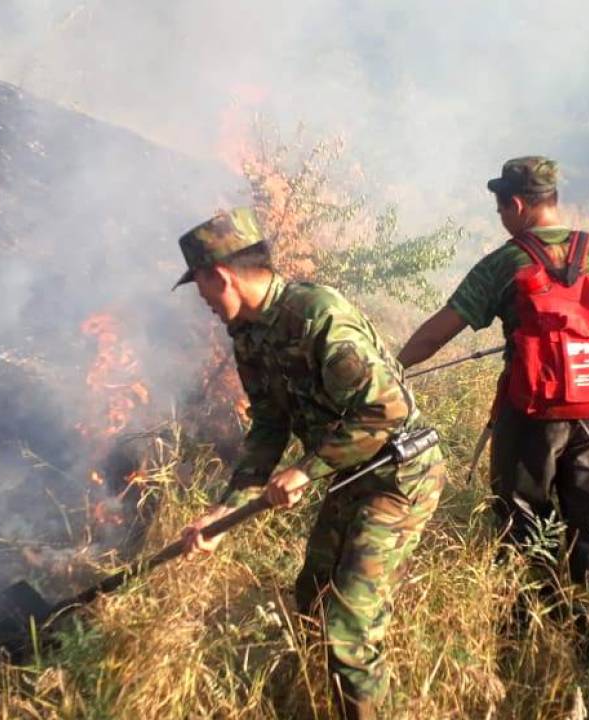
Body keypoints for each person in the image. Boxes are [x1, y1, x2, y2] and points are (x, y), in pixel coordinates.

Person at [397, 157, 589, 652]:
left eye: (501, 207)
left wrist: (394, 370)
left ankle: (526, 635)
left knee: (522, 516)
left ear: (520, 205)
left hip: (532, 413)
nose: (501, 217)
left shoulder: (507, 262)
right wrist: (588, 337)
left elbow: (441, 329)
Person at [174, 208, 445, 719]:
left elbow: (387, 411)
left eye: (201, 287)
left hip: (400, 475)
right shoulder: (249, 334)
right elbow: (270, 427)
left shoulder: (317, 313)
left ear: (219, 275)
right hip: (352, 475)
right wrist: (224, 513)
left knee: (347, 624)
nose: (203, 302)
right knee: (314, 595)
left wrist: (308, 468)